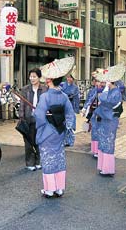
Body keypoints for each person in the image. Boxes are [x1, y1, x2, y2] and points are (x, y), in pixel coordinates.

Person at [34, 58, 76, 198]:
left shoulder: (45, 96)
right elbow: (70, 114)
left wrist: (41, 121)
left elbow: (39, 116)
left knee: (47, 158)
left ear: (49, 80)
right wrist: (67, 127)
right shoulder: (63, 96)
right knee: (58, 157)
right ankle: (59, 188)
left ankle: (50, 189)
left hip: (47, 131)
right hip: (59, 131)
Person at [91, 73, 122, 176]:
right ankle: (103, 166)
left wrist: (105, 91)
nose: (104, 83)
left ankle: (108, 169)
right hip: (105, 119)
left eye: (106, 81)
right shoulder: (112, 91)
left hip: (110, 120)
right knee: (103, 141)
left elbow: (105, 100)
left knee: (108, 143)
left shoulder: (115, 92)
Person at [19, 68, 47, 171]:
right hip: (28, 118)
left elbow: (47, 103)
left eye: (34, 76)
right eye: (31, 76)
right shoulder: (25, 89)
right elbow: (22, 104)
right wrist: (21, 117)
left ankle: (39, 161)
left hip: (40, 119)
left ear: (39, 77)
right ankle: (30, 162)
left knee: (40, 141)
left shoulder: (45, 89)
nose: (32, 78)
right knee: (28, 142)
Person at [81, 77, 104, 157]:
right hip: (94, 112)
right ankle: (95, 150)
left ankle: (100, 150)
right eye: (96, 81)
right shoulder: (94, 90)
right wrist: (85, 108)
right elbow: (90, 99)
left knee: (100, 131)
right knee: (94, 130)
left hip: (102, 114)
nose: (98, 83)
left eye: (99, 81)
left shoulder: (105, 90)